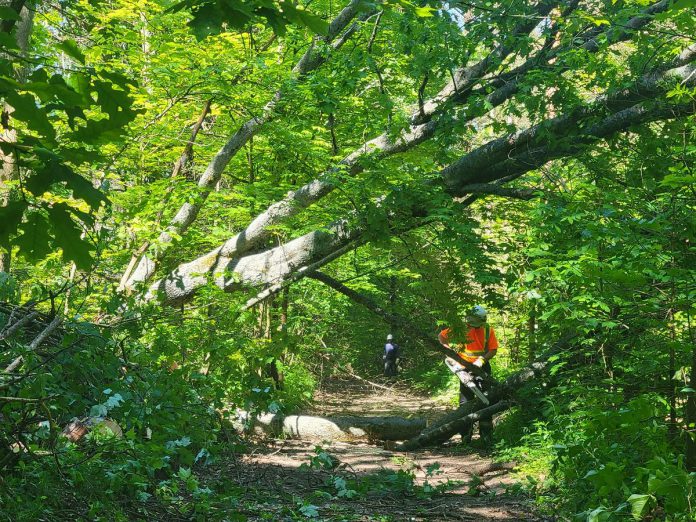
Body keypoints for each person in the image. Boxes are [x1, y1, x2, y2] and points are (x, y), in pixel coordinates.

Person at [438, 305, 499, 446]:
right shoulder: (461, 328)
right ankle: (466, 436)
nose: (475, 327)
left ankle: (486, 436)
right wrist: (451, 355)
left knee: (486, 399)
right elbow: (441, 337)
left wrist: (481, 360)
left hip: (482, 367)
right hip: (463, 368)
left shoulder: (488, 330)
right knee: (465, 402)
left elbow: (493, 349)